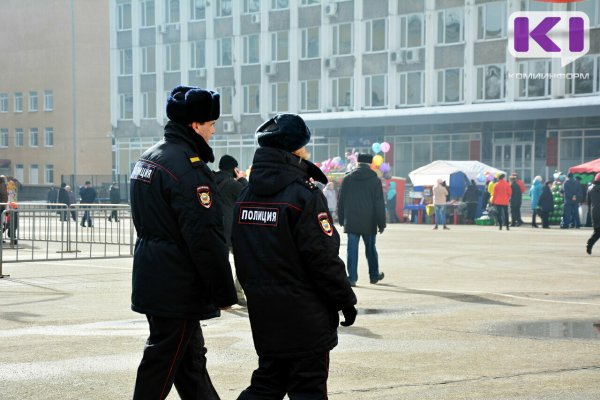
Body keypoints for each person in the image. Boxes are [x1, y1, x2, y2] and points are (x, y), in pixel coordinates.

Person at [231, 113, 357, 400]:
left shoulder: (246, 194)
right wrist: (344, 299)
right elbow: (322, 258)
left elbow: (240, 254)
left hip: (265, 311)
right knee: (308, 387)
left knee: (269, 382)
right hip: (305, 316)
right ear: (296, 150)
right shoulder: (304, 195)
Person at [130, 85, 237, 400]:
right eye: (211, 124)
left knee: (190, 363)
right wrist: (222, 291)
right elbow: (204, 236)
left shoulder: (150, 158)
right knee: (161, 362)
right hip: (177, 282)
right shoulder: (188, 170)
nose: (214, 131)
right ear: (195, 125)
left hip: (155, 273)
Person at [338, 153, 386, 286]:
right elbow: (379, 203)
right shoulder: (375, 180)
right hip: (369, 221)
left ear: (357, 163)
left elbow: (341, 200)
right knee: (370, 249)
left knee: (351, 250)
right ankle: (374, 275)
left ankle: (352, 278)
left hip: (352, 220)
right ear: (370, 163)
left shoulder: (347, 178)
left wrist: (342, 218)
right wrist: (381, 223)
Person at [214, 154, 248, 305]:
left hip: (213, 230)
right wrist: (242, 179)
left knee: (218, 265)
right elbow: (249, 196)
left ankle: (218, 296)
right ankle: (238, 294)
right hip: (231, 232)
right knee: (243, 263)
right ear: (234, 169)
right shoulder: (233, 184)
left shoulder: (210, 179)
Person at [586, 173, 600, 255]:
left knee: (597, 231)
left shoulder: (590, 188)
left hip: (594, 212)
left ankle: (589, 244)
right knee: (598, 232)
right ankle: (589, 244)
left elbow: (588, 202)